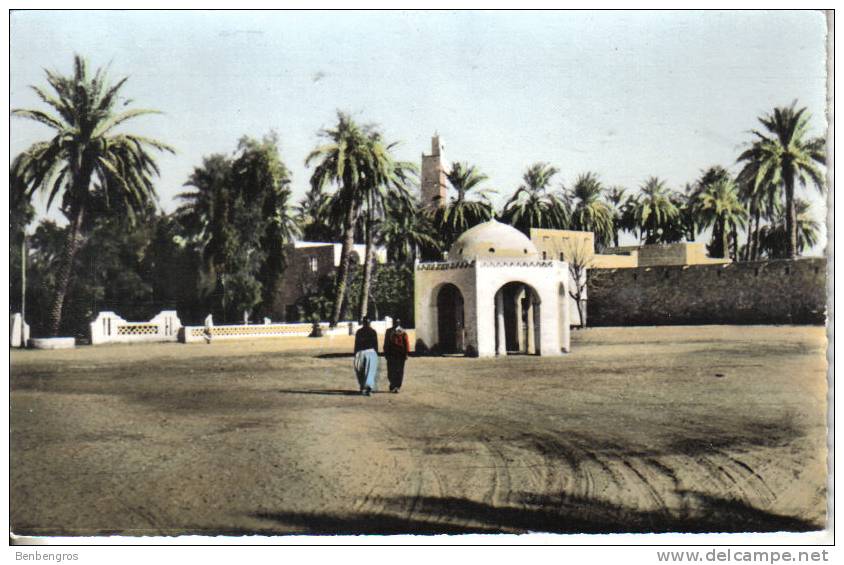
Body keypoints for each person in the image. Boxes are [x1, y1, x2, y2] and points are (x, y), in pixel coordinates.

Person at [353, 317, 379, 396]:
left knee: (368, 371)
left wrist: (375, 353)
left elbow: (375, 344)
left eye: (368, 322)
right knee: (361, 370)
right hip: (362, 352)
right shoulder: (360, 332)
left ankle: (368, 388)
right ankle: (363, 386)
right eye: (366, 322)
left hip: (369, 352)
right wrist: (355, 353)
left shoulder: (372, 332)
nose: (367, 324)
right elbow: (356, 343)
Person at [383, 318, 410, 393]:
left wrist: (406, 353)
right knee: (391, 370)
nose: (396, 324)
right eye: (395, 322)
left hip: (400, 354)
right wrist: (386, 352)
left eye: (398, 322)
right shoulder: (389, 331)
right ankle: (392, 384)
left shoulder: (403, 332)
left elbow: (406, 343)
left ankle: (397, 386)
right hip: (391, 353)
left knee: (399, 371)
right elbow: (386, 342)